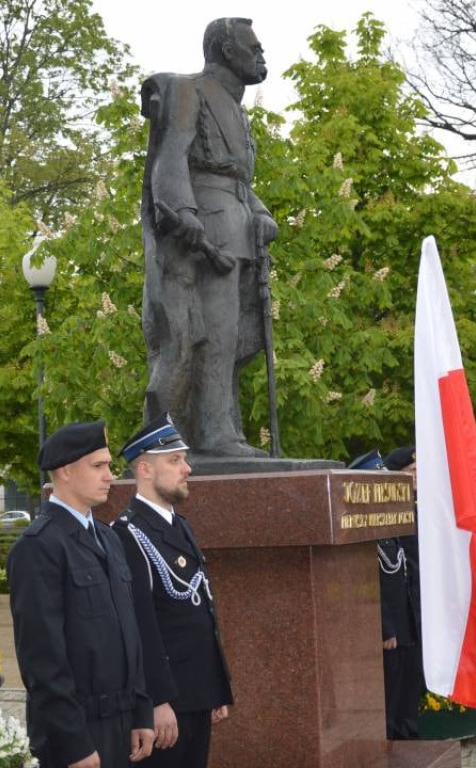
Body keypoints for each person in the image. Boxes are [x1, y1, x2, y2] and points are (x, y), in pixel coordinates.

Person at [139, 17, 278, 458]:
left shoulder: (236, 107)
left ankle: (221, 427)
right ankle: (215, 434)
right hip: (207, 233)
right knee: (213, 337)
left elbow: (237, 178)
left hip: (237, 227)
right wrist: (185, 217)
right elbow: (170, 161)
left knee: (232, 338)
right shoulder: (189, 90)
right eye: (252, 47)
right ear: (225, 50)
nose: (261, 55)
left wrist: (260, 213)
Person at [7, 421, 155, 768]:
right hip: (75, 732)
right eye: (98, 466)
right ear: (65, 472)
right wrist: (74, 742)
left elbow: (129, 633)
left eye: (108, 465)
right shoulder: (38, 547)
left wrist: (141, 711)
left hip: (121, 725)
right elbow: (41, 659)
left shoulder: (108, 539)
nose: (110, 476)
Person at [112, 413, 233, 768]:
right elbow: (141, 628)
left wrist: (215, 686)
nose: (188, 469)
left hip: (197, 693)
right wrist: (155, 701)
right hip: (167, 704)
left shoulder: (180, 526)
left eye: (184, 459)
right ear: (145, 470)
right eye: (175, 460)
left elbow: (201, 612)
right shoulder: (128, 534)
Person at [349, 446, 424, 739]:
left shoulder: (390, 522)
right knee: (389, 698)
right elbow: (367, 585)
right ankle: (392, 745)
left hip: (407, 623)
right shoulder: (362, 531)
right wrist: (386, 627)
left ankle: (409, 741)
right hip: (390, 629)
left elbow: (405, 573)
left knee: (409, 689)